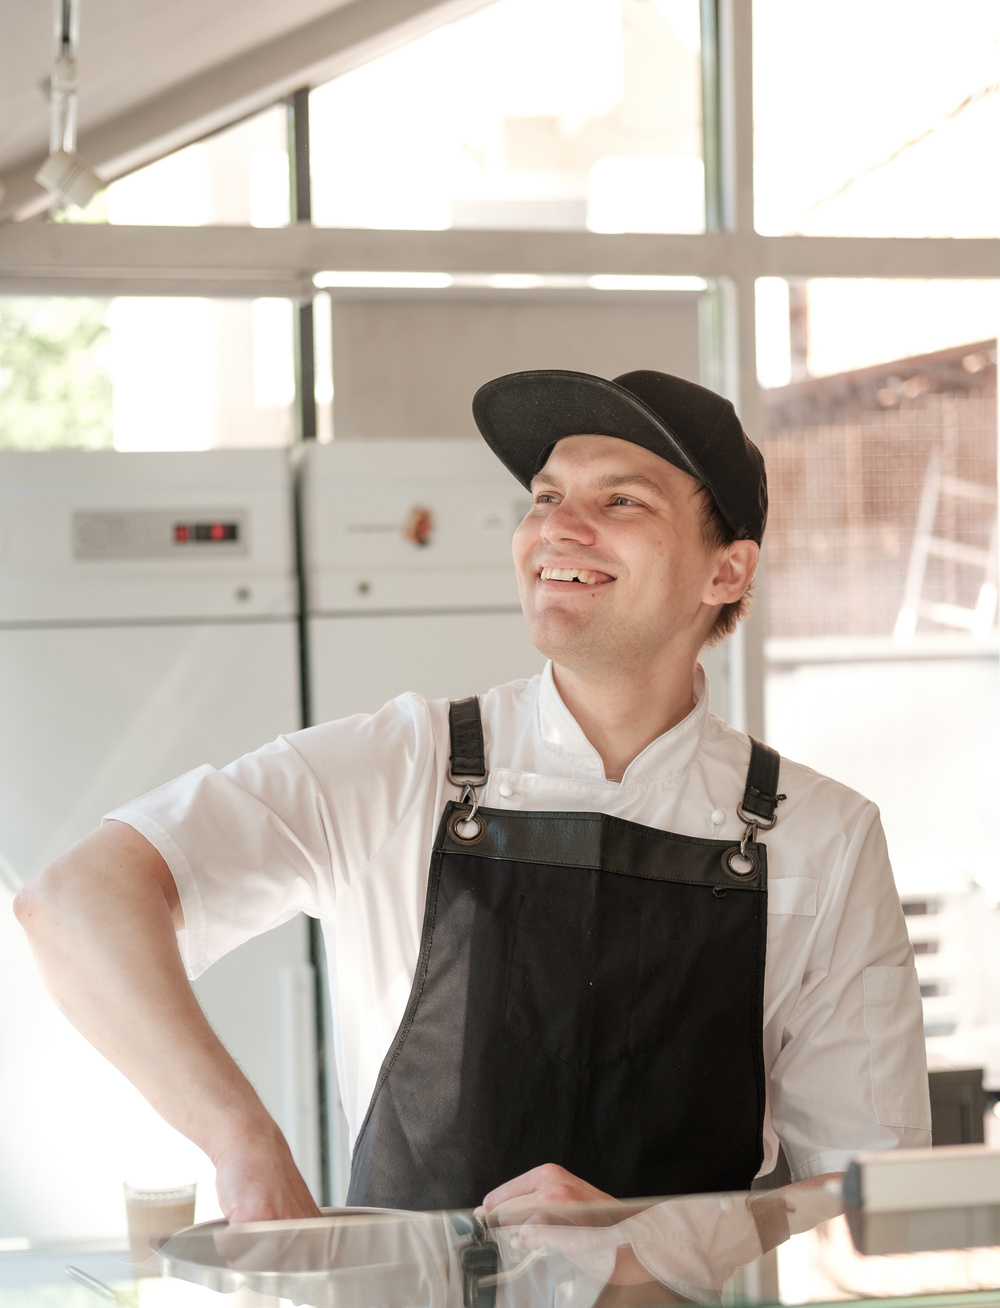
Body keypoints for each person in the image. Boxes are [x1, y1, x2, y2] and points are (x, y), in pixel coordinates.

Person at [15, 368, 931, 1226]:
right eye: (544, 497)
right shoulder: (405, 765)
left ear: (726, 572)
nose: (558, 529)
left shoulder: (824, 837)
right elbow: (75, 899)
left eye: (621, 500)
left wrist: (647, 1238)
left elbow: (870, 1198)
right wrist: (243, 1143)